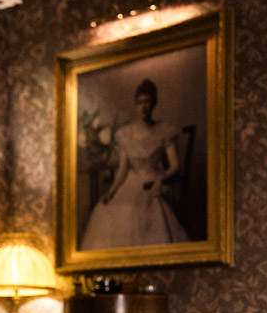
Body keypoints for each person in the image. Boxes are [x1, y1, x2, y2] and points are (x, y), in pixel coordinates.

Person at [80, 79, 189, 250]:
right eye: (139, 102)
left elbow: (175, 166)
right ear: (135, 104)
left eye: (147, 102)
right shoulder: (126, 134)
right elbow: (122, 170)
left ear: (154, 104)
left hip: (152, 182)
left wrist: (160, 179)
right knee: (112, 209)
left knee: (144, 208)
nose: (143, 107)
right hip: (130, 183)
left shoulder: (163, 131)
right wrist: (111, 191)